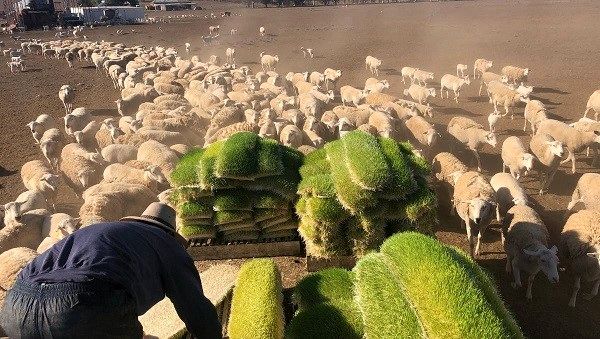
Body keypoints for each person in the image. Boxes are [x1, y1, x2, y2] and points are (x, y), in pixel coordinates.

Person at [0, 202, 222, 339]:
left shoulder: (98, 231)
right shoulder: (166, 244)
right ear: (170, 232)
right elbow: (195, 308)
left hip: (16, 307)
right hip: (81, 306)